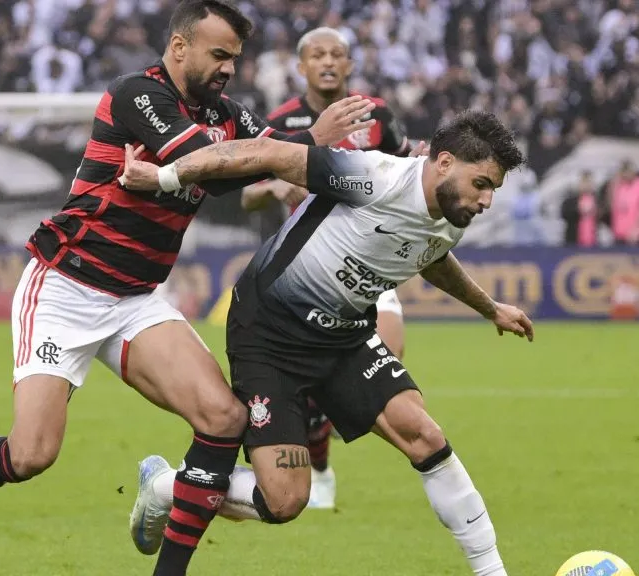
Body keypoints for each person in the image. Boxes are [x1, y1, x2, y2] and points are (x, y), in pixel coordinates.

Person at [0, 3, 371, 575]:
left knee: (222, 417)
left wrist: (352, 162)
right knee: (32, 453)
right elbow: (203, 165)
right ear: (180, 47)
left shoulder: (226, 113)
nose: (228, 69)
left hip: (134, 300)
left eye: (234, 59)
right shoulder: (137, 94)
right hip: (64, 288)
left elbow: (268, 153)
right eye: (218, 55)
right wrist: (306, 140)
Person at [122, 110, 533, 576]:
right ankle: (166, 486)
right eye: (481, 183)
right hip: (270, 334)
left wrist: (488, 307)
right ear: (443, 161)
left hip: (344, 338)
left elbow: (431, 255)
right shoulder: (373, 176)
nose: (487, 200)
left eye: (493, 188)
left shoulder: (452, 215)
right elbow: (265, 153)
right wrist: (164, 175)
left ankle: (492, 570)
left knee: (425, 436)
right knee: (285, 500)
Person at [239, 26, 416, 509]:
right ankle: (312, 464)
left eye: (338, 54)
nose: (328, 62)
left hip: (370, 262)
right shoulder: (281, 120)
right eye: (318, 55)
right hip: (309, 270)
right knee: (314, 377)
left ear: (350, 64)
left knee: (389, 356)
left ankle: (314, 442)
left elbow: (407, 169)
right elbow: (246, 192)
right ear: (301, 67)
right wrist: (274, 187)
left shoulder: (376, 115)